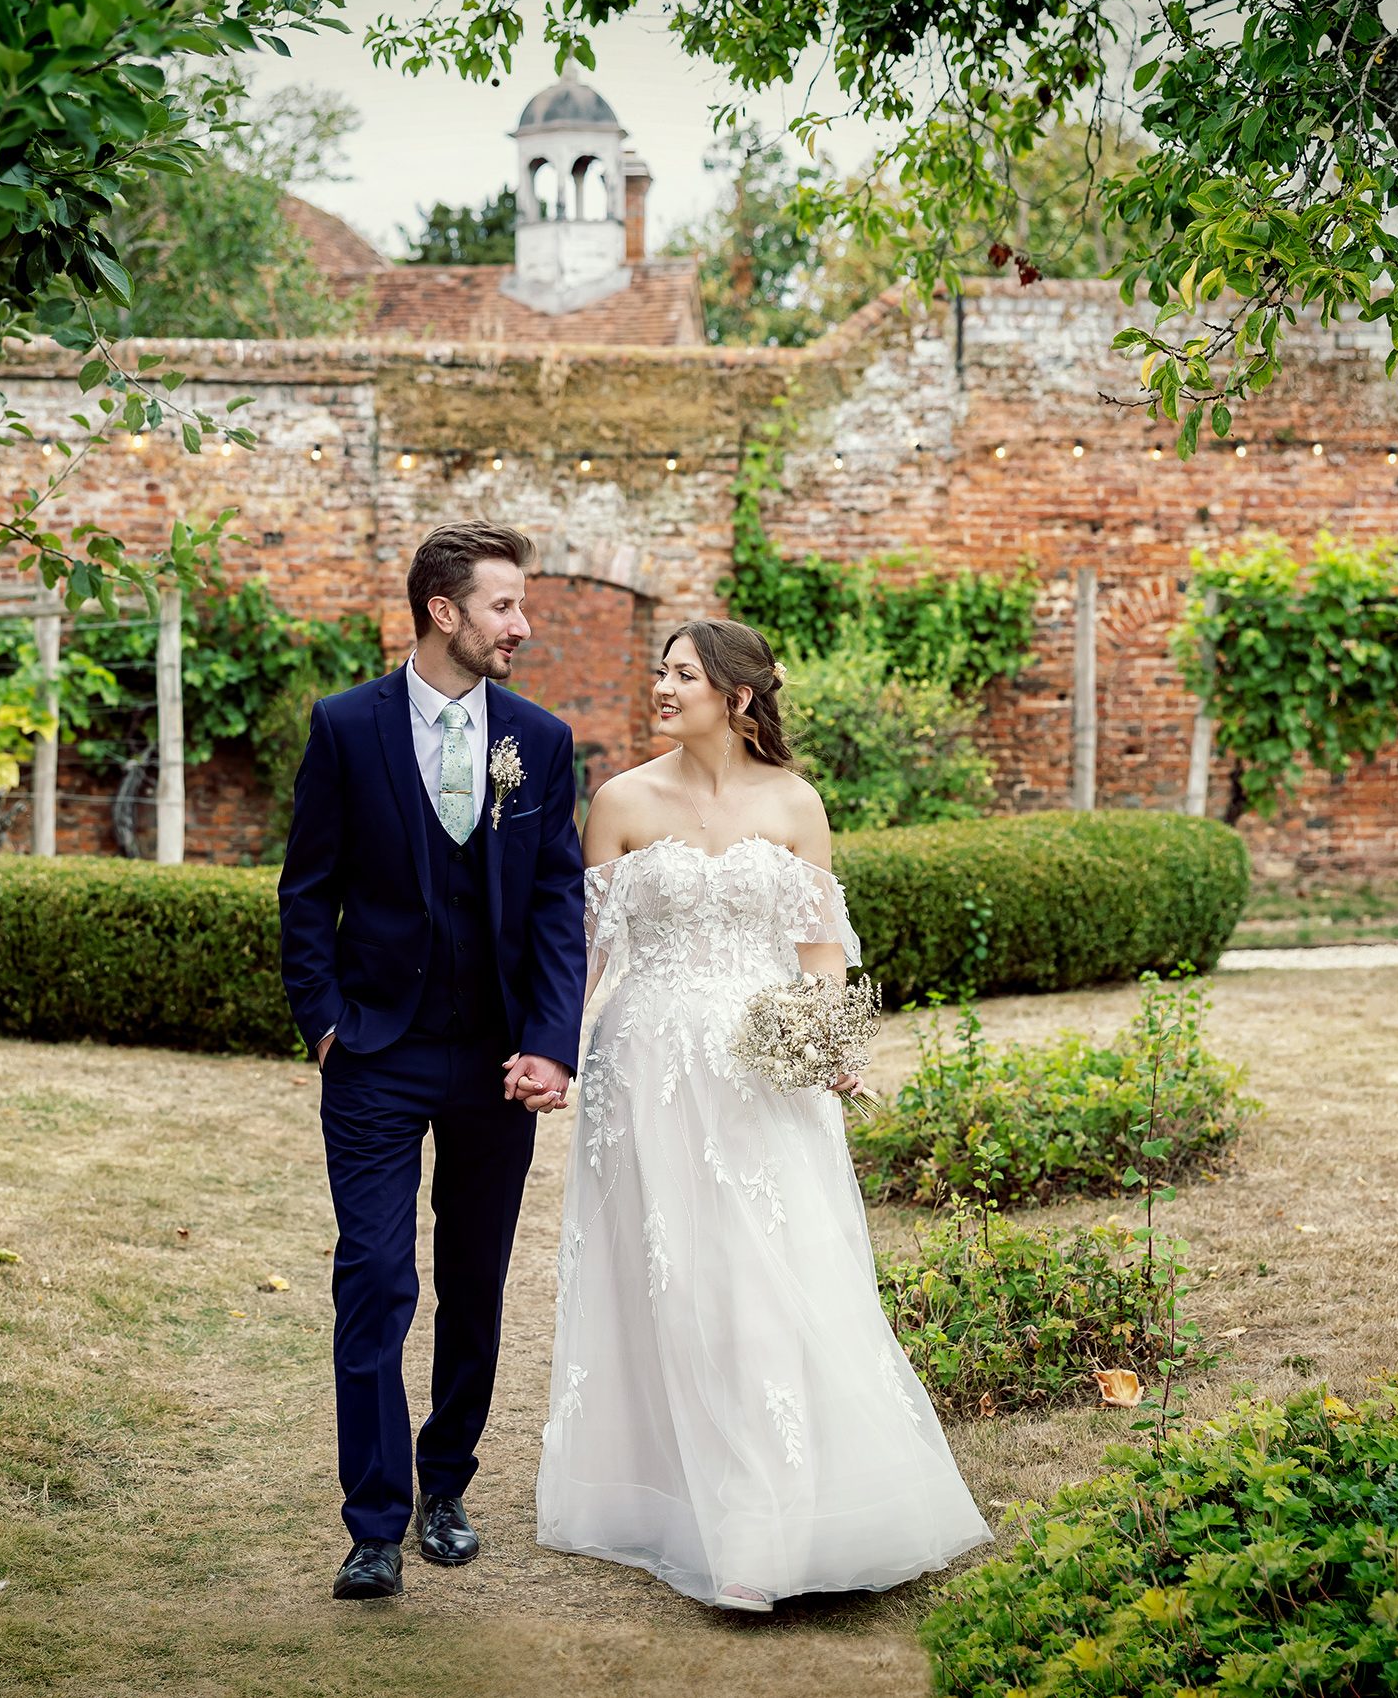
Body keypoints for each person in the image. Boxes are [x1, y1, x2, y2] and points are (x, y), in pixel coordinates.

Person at [535, 617, 991, 1611]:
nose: (663, 688)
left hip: (762, 1075)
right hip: (645, 1075)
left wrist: (825, 1048)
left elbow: (821, 950)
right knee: (673, 1281)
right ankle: (684, 1508)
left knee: (769, 1280)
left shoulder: (794, 803)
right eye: (661, 672)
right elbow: (585, 955)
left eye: (684, 675)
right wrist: (552, 1058)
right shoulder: (618, 800)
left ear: (737, 697)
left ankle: (774, 1518)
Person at [278, 521, 588, 1601]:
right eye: (505, 605)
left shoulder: (540, 743)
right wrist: (323, 1022)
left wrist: (550, 1045)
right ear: (443, 612)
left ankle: (444, 1484)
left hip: (496, 1058)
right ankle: (372, 1523)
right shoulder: (344, 728)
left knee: (474, 1281)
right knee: (373, 1278)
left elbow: (557, 906)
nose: (523, 624)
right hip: (373, 1052)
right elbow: (305, 891)